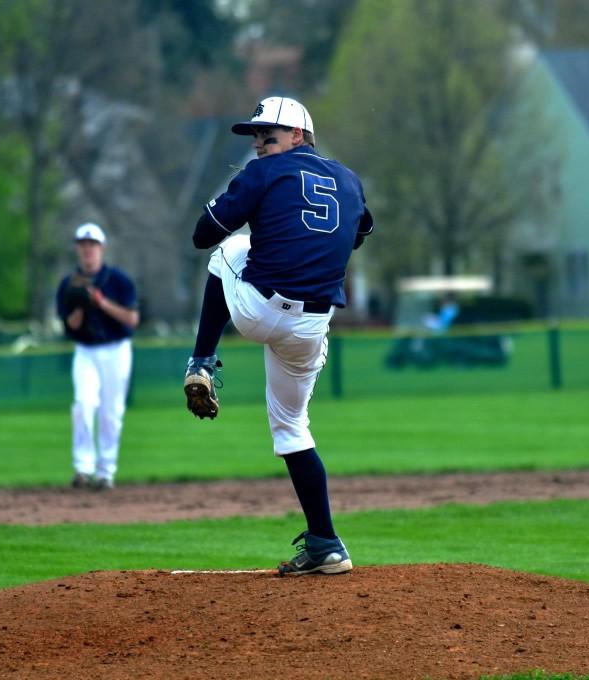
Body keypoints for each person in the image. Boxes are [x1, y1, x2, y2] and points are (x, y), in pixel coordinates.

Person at [182, 96, 374, 576]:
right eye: (256, 137)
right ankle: (327, 542)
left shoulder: (261, 174)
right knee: (293, 426)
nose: (260, 143)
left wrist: (244, 195)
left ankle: (201, 362)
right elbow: (361, 228)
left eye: (269, 135)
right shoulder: (349, 180)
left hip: (259, 310)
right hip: (311, 326)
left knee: (229, 248)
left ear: (299, 136)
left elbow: (203, 234)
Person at [55, 222, 139, 491]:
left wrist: (101, 302)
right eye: (83, 244)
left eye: (92, 244)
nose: (87, 249)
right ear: (77, 249)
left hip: (117, 350)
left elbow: (132, 318)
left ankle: (106, 472)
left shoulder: (118, 281)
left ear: (101, 248)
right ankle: (83, 468)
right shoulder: (68, 284)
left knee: (111, 412)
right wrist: (78, 310)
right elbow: (69, 327)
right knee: (83, 403)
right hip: (86, 351)